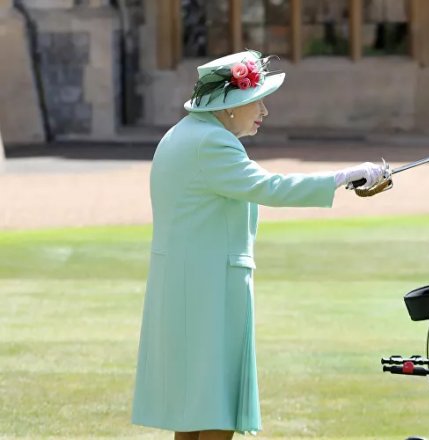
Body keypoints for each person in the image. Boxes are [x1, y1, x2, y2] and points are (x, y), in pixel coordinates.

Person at [131, 50, 388, 440]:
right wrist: (348, 176)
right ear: (231, 106)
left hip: (187, 284)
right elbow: (271, 188)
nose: (264, 111)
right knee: (217, 401)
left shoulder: (182, 134)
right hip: (209, 287)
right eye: (256, 101)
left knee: (194, 405)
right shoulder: (211, 143)